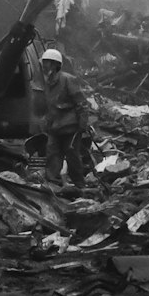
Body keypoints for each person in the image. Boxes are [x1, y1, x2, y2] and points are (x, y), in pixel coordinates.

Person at [34, 47, 92, 190]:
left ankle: (79, 184)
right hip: (54, 127)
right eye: (44, 62)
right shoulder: (45, 83)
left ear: (55, 65)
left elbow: (81, 103)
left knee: (72, 155)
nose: (44, 65)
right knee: (52, 155)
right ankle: (52, 185)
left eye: (48, 62)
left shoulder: (68, 80)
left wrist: (83, 122)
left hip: (70, 127)